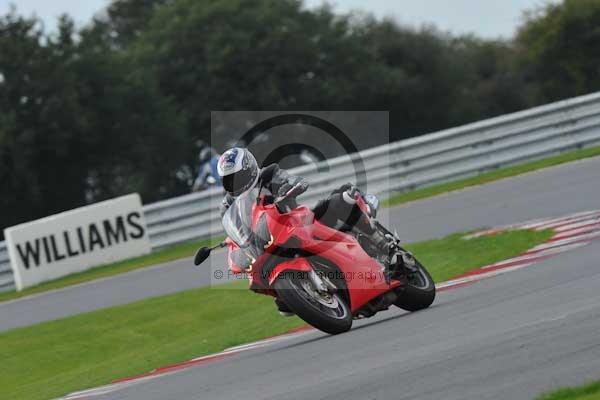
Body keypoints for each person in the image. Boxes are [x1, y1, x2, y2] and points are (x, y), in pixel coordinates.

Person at [217, 147, 394, 315]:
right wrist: (234, 243)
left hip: (300, 223)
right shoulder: (228, 205)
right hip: (269, 242)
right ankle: (313, 292)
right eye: (228, 180)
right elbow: (234, 228)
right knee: (283, 304)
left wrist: (290, 186)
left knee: (341, 200)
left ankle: (380, 241)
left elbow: (294, 181)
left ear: (249, 169)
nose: (234, 183)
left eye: (237, 177)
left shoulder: (268, 175)